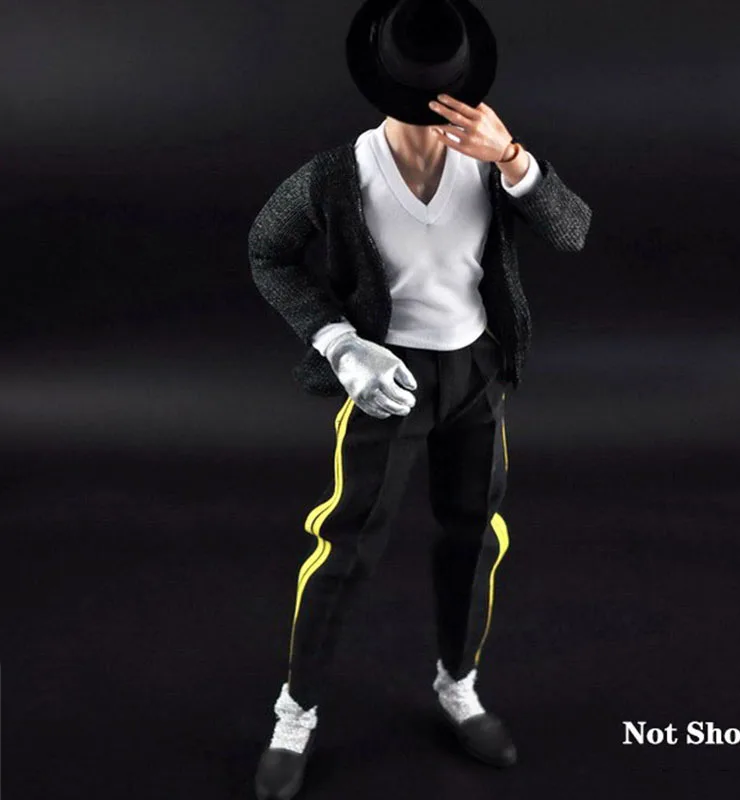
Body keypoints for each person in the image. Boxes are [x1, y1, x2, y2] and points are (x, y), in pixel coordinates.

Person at [247, 0, 592, 797]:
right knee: (345, 545)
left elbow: (573, 229)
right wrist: (341, 345)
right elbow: (268, 252)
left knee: (475, 536)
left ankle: (457, 683)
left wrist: (513, 157)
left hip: (475, 377)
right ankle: (296, 710)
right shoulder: (337, 177)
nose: (443, 116)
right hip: (386, 383)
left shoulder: (491, 161)